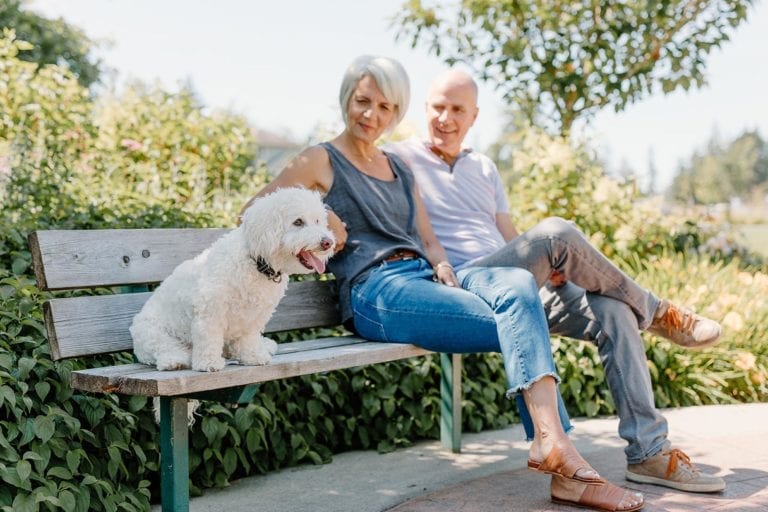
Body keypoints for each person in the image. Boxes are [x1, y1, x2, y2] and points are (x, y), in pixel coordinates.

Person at [242, 56, 643, 512]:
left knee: (516, 287)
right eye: (363, 101)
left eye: (386, 106)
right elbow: (252, 214)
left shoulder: (399, 168)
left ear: (397, 112)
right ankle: (563, 461)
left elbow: (429, 240)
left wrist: (445, 267)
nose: (372, 115)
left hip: (420, 278)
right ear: (346, 99)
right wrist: (323, 220)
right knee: (518, 324)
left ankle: (555, 451)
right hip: (375, 292)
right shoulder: (321, 158)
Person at [385, 68, 726, 493]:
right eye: (438, 107)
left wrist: (548, 265)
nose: (445, 118)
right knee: (556, 231)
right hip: (465, 283)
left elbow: (508, 235)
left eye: (457, 109)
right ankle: (658, 312)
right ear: (424, 108)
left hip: (516, 281)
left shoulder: (484, 167)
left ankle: (648, 453)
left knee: (612, 308)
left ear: (474, 116)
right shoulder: (399, 158)